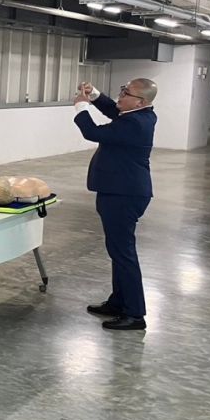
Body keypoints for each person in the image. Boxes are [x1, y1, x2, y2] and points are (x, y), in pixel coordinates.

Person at [74, 79, 158, 331]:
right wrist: (94, 95)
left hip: (123, 194)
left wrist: (81, 106)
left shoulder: (135, 124)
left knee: (123, 253)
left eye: (126, 93)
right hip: (120, 191)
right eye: (122, 90)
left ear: (140, 101)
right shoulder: (140, 115)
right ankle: (119, 301)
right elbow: (115, 110)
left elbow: (93, 132)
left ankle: (135, 313)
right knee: (118, 250)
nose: (120, 96)